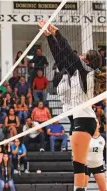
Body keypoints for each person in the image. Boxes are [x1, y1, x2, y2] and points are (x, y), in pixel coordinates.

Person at [38, 20, 103, 191]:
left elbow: (67, 52)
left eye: (83, 55)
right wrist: (48, 37)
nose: (80, 56)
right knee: (81, 163)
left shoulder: (85, 71)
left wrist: (56, 32)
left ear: (88, 62)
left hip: (84, 118)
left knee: (79, 164)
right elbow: (60, 56)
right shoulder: (74, 71)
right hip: (78, 118)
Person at [86, 119, 106, 191]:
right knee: (81, 189)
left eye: (96, 123)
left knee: (103, 189)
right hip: (86, 167)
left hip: (98, 166)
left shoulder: (103, 137)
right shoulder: (85, 137)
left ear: (99, 125)